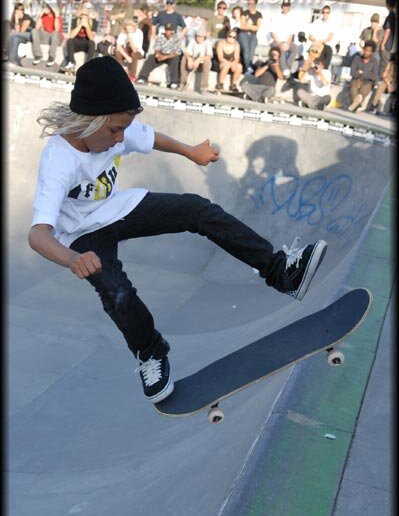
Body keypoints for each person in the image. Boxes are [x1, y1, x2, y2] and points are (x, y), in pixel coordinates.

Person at [28, 56, 327, 404]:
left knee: (197, 210)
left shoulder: (113, 129)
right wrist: (71, 258)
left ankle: (281, 271)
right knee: (117, 291)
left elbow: (151, 137)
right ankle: (150, 352)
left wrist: (191, 152)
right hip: (81, 237)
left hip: (119, 209)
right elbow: (38, 234)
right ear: (87, 121)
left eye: (124, 130)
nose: (120, 139)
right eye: (114, 131)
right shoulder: (59, 161)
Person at [137, 22, 183, 88]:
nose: (168, 32)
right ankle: (142, 77)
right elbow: (157, 48)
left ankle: (174, 82)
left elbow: (177, 52)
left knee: (176, 60)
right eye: (167, 30)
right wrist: (158, 54)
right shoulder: (160, 37)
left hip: (171, 56)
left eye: (169, 30)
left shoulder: (176, 38)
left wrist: (166, 57)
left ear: (172, 31)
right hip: (161, 54)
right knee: (151, 57)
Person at [60, 5, 98, 73]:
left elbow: (91, 37)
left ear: (88, 15)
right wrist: (80, 25)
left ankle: (88, 65)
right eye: (82, 14)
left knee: (92, 43)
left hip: (87, 43)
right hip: (77, 42)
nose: (83, 16)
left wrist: (86, 26)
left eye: (85, 15)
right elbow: (71, 35)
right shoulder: (76, 20)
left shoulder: (93, 22)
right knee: (70, 41)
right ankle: (72, 63)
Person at [347, 40, 379, 112]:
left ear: (372, 52)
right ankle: (357, 105)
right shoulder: (357, 58)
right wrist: (366, 74)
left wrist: (362, 73)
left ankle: (356, 103)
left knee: (364, 90)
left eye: (368, 51)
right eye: (365, 50)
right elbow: (352, 72)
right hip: (356, 79)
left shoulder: (374, 61)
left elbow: (374, 76)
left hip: (367, 82)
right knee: (353, 88)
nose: (365, 52)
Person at [179, 26, 213, 93]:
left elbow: (209, 56)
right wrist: (189, 59)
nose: (199, 38)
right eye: (198, 36)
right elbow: (186, 52)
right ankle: (182, 83)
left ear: (204, 37)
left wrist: (199, 59)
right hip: (193, 59)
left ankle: (204, 87)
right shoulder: (192, 41)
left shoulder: (208, 42)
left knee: (207, 62)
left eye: (201, 37)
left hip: (202, 60)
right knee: (184, 59)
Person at [31, 0, 63, 67]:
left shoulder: (57, 16)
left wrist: (56, 16)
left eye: (48, 6)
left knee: (55, 33)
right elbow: (37, 27)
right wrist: (40, 16)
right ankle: (38, 55)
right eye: (47, 5)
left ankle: (51, 57)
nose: (46, 7)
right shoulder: (44, 16)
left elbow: (57, 30)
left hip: (56, 38)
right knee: (34, 31)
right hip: (47, 37)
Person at [271, 0, 297, 77]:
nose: (286, 7)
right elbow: (273, 33)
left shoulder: (292, 18)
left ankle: (287, 68)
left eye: (287, 6)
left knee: (295, 48)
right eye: (284, 6)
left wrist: (287, 44)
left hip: (286, 42)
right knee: (281, 50)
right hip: (276, 42)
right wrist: (279, 43)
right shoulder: (276, 16)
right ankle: (285, 70)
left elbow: (291, 34)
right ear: (282, 6)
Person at [238, 0, 263, 74]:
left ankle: (248, 67)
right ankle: (248, 67)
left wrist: (248, 25)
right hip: (243, 34)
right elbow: (242, 26)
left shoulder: (259, 14)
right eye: (249, 3)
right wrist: (252, 26)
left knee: (251, 51)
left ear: (255, 4)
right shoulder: (244, 13)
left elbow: (257, 28)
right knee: (246, 50)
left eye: (252, 3)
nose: (250, 5)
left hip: (253, 35)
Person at [213, 28, 243, 92]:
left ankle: (233, 85)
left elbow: (236, 58)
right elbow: (220, 58)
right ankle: (220, 84)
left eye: (234, 37)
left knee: (239, 66)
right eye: (230, 36)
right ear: (227, 36)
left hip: (231, 62)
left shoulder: (237, 45)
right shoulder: (221, 43)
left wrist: (233, 63)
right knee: (226, 65)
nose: (232, 38)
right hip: (220, 62)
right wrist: (229, 64)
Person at [379, 0, 396, 77]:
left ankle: (383, 80)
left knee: (385, 64)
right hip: (392, 44)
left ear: (387, 4)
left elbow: (388, 30)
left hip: (388, 45)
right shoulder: (394, 15)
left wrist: (383, 43)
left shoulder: (390, 16)